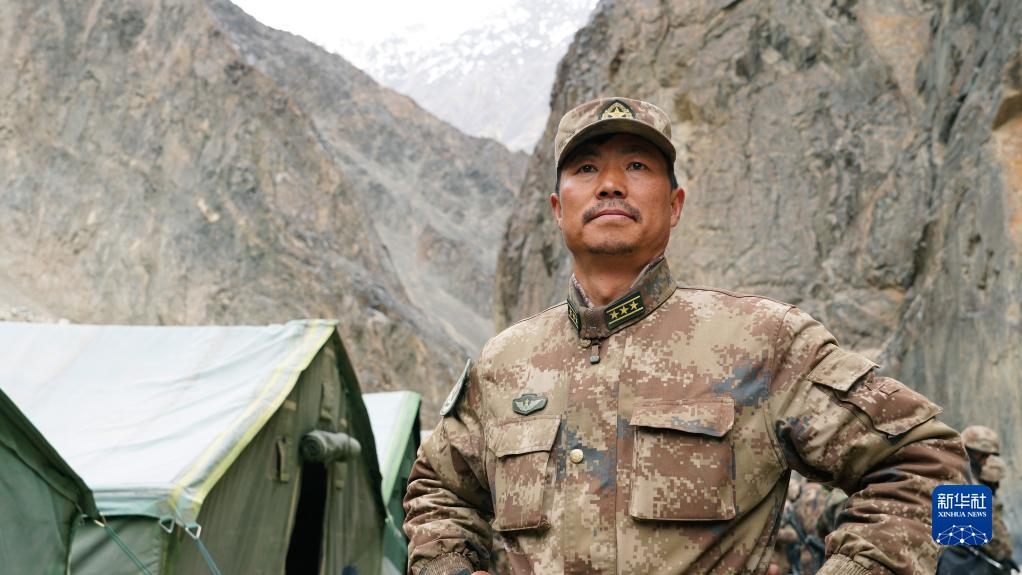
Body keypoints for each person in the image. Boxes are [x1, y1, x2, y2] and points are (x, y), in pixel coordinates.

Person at [403, 96, 969, 575]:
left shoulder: (764, 341)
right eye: (586, 169)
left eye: (637, 166)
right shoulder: (504, 363)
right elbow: (436, 490)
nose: (609, 185)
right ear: (557, 209)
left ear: (674, 205)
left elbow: (937, 461)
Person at [937, 427, 1017, 574]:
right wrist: (1003, 558)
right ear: (973, 453)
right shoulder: (962, 484)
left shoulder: (949, 474)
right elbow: (994, 541)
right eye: (984, 456)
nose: (985, 462)